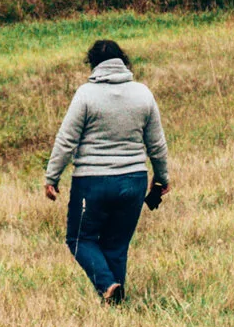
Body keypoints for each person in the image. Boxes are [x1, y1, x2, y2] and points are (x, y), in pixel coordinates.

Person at [43, 36, 172, 304]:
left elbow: (66, 140)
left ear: (93, 65)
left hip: (92, 182)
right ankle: (115, 300)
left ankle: (108, 285)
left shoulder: (86, 94)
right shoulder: (143, 93)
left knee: (79, 239)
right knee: (116, 245)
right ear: (123, 61)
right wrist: (161, 178)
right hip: (134, 181)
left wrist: (52, 177)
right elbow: (157, 144)